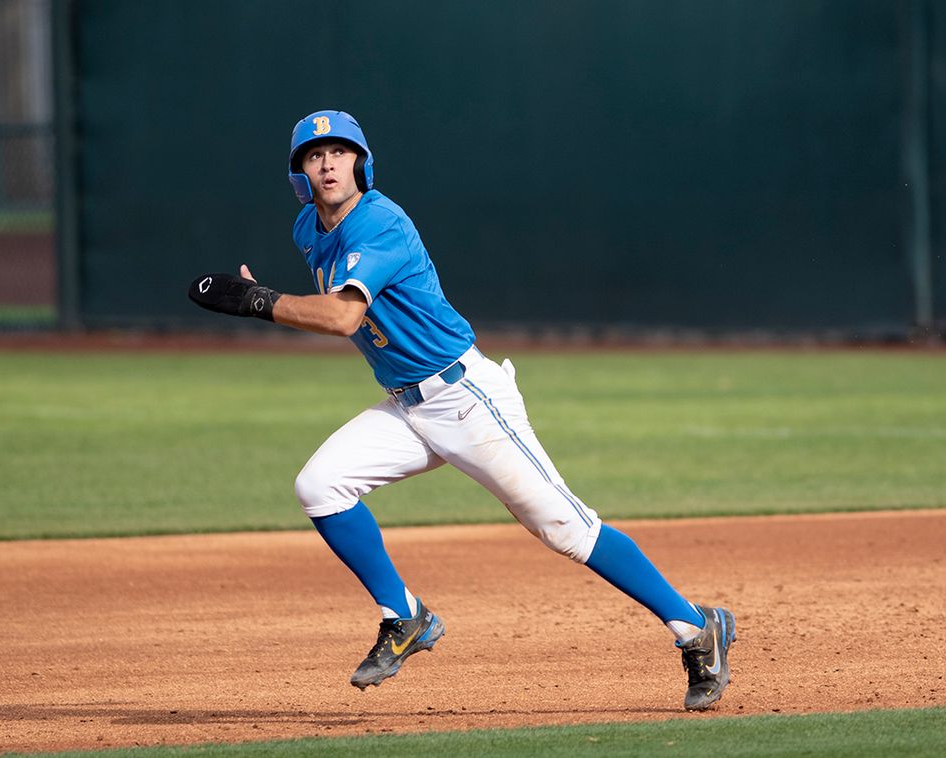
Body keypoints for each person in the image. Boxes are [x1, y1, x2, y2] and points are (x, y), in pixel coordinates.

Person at [187, 109, 735, 711]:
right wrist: (266, 297)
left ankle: (696, 627)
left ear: (361, 163)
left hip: (467, 398)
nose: (328, 163)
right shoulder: (308, 230)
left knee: (565, 528)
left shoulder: (381, 222)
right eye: (314, 157)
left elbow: (342, 315)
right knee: (320, 486)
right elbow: (331, 303)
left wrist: (258, 301)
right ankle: (406, 615)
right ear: (299, 175)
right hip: (407, 408)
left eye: (340, 152)